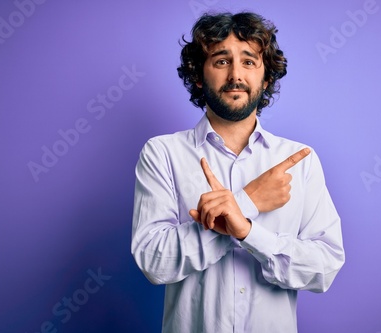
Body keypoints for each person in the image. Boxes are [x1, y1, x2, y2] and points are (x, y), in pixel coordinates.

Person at [131, 11, 344, 332]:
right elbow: (153, 263)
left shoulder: (300, 161)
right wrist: (249, 202)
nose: (235, 75)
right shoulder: (162, 153)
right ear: (199, 75)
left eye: (249, 62)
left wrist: (247, 231)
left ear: (266, 77)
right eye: (220, 61)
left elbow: (324, 269)